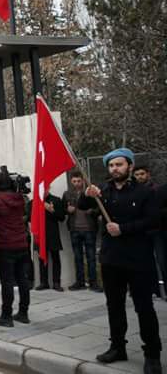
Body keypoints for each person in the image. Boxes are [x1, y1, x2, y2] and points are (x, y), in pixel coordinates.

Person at [79, 148, 162, 373]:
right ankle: (117, 347)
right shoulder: (103, 191)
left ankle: (152, 354)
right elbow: (83, 207)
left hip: (138, 259)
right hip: (111, 259)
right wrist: (87, 193)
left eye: (119, 164)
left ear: (130, 166)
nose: (115, 169)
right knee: (114, 306)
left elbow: (154, 221)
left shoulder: (145, 192)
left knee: (144, 308)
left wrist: (123, 229)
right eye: (111, 165)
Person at [0, 170, 31, 327]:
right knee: (23, 280)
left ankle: (6, 315)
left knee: (7, 282)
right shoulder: (20, 198)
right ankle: (23, 313)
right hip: (22, 244)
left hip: (5, 246)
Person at [62, 171, 101, 292]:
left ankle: (93, 282)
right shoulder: (67, 193)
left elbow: (100, 207)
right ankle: (80, 282)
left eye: (79, 181)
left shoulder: (91, 191)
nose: (76, 183)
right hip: (74, 229)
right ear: (71, 181)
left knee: (91, 257)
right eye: (74, 181)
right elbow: (62, 209)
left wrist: (93, 212)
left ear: (83, 181)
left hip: (89, 228)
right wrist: (67, 209)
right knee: (77, 257)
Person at [134, 166, 167, 297]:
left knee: (162, 260)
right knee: (145, 262)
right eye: (136, 174)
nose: (139, 177)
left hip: (158, 231)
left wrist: (155, 214)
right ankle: (153, 289)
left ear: (148, 174)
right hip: (142, 232)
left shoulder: (158, 190)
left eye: (142, 174)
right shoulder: (134, 192)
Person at [28, 192, 66, 291]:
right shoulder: (34, 202)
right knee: (41, 259)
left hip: (52, 233)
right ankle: (43, 282)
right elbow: (29, 217)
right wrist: (38, 207)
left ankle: (56, 282)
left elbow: (62, 217)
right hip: (40, 234)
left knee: (55, 258)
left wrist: (52, 210)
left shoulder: (56, 199)